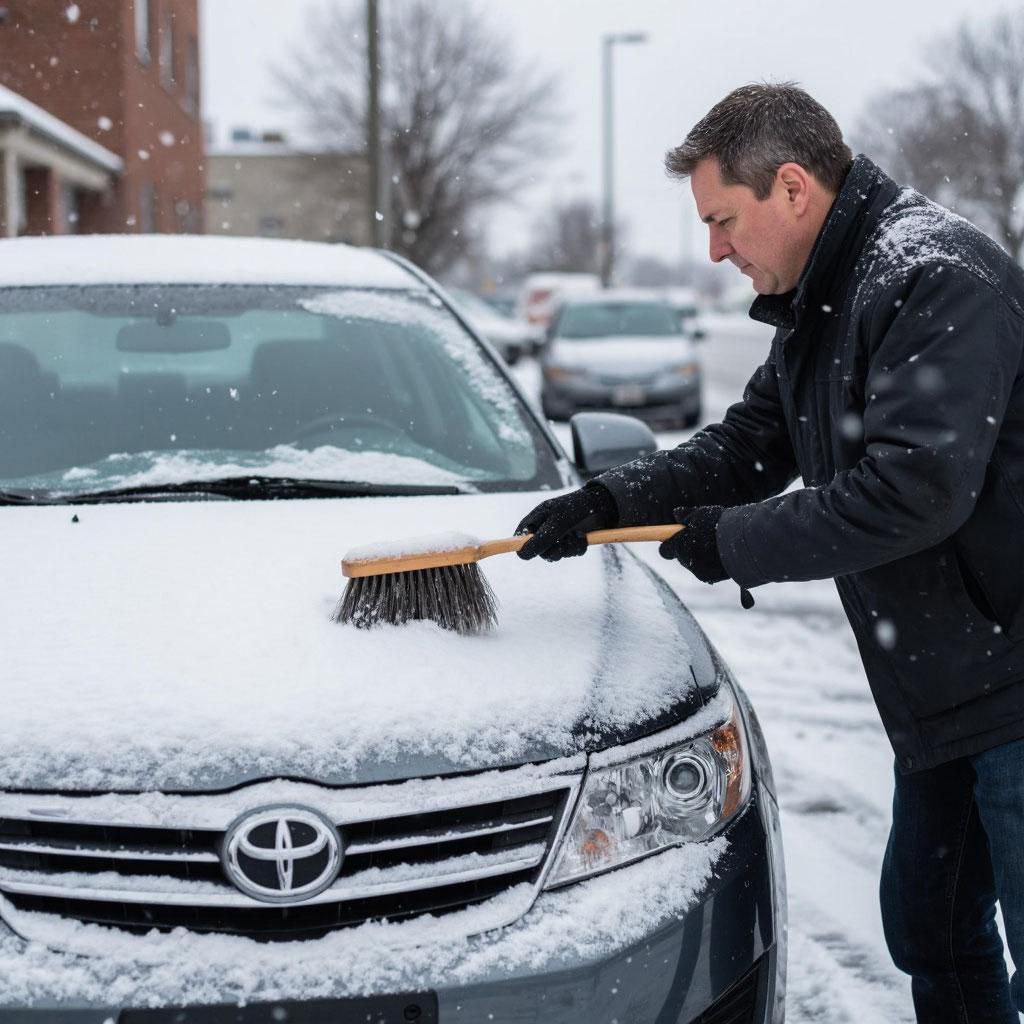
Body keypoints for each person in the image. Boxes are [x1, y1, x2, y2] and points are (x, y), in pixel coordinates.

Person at [514, 82, 1024, 1023]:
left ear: (792, 189)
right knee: (931, 928)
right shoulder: (821, 303)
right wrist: (614, 498)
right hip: (949, 694)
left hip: (1010, 680)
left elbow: (916, 491)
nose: (714, 250)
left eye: (722, 221)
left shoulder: (934, 276)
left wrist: (731, 543)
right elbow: (750, 443)